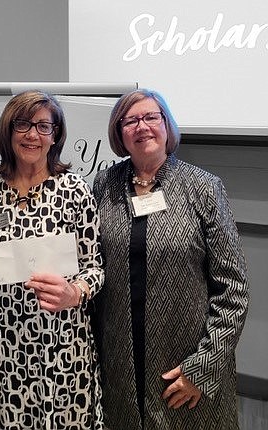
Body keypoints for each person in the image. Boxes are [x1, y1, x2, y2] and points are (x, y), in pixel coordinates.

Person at [92, 88, 249, 430]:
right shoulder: (105, 184)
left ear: (167, 125)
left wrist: (203, 367)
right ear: (119, 133)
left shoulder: (203, 187)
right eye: (130, 121)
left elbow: (233, 290)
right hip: (122, 366)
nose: (141, 127)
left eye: (151, 117)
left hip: (184, 365)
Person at [0, 90, 104, 429]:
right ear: (8, 130)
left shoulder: (75, 191)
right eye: (23, 124)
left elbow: (96, 268)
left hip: (67, 350)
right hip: (6, 352)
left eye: (44, 126)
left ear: (55, 135)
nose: (33, 134)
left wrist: (76, 293)